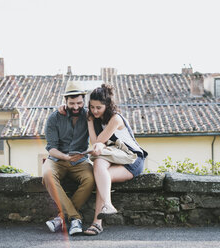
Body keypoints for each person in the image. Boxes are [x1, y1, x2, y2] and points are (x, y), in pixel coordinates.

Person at [83, 84, 148, 236]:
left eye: (98, 107)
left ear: (107, 105)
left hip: (132, 159)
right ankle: (106, 208)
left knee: (101, 176)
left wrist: (90, 121)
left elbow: (98, 141)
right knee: (99, 165)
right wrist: (90, 121)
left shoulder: (115, 119)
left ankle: (98, 221)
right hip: (114, 155)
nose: (94, 111)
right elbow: (95, 144)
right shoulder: (96, 119)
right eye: (92, 107)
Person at [42, 81, 95, 236]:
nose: (76, 107)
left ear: (84, 100)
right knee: (47, 175)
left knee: (90, 179)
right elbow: (51, 147)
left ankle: (60, 219)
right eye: (72, 103)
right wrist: (65, 157)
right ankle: (75, 218)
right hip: (57, 159)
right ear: (65, 101)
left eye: (79, 103)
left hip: (80, 161)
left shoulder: (89, 117)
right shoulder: (54, 118)